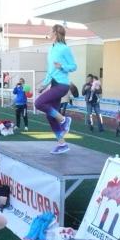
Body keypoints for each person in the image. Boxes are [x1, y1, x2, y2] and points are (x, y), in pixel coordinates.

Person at [35, 24, 77, 155]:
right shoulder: (51, 49)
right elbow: (50, 70)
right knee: (50, 116)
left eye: (50, 31)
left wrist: (62, 66)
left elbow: (74, 66)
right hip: (54, 84)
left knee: (38, 103)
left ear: (55, 33)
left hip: (62, 85)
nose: (49, 33)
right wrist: (44, 84)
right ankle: (62, 144)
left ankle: (65, 120)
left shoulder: (64, 49)